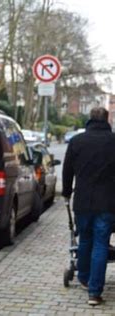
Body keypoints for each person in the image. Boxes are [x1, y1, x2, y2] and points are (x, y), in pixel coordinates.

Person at [62, 107, 115, 306]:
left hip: (83, 202)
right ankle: (94, 293)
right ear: (107, 119)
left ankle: (84, 278)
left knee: (85, 240)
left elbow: (67, 171)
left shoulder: (77, 141)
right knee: (101, 243)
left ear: (89, 120)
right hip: (108, 203)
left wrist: (67, 192)